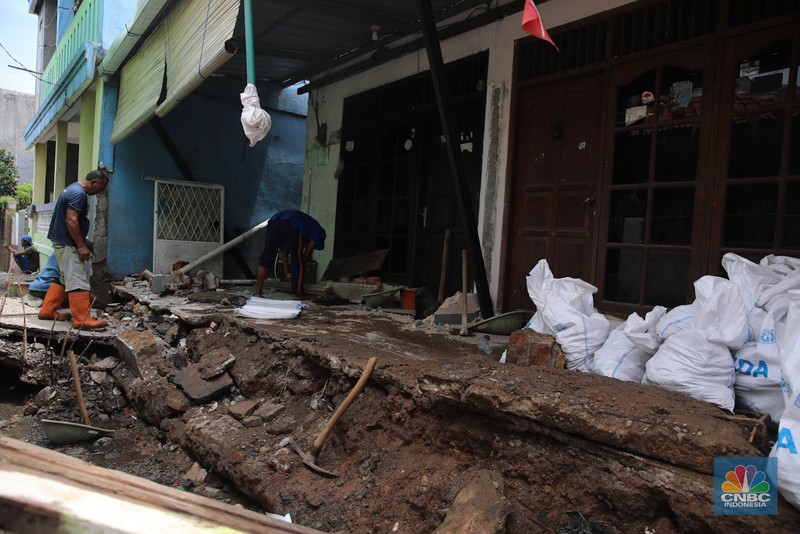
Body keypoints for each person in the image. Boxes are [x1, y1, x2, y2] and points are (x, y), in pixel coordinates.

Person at [38, 169, 110, 329]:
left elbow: (69, 221)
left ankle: (47, 310)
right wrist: (81, 246)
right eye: (101, 187)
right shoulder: (79, 194)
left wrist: (84, 241)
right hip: (68, 244)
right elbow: (71, 220)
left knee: (65, 278)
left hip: (62, 241)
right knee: (77, 279)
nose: (101, 191)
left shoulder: (72, 189)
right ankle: (82, 319)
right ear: (93, 182)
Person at [256, 210, 326, 297]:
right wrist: (300, 268)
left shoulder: (308, 227)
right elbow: (309, 250)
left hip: (274, 221)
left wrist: (287, 272)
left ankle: (258, 293)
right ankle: (297, 294)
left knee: (266, 257)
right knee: (297, 259)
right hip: (293, 223)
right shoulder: (319, 231)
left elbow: (284, 251)